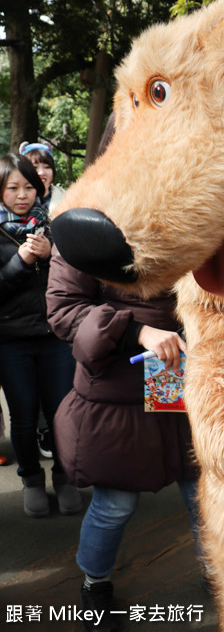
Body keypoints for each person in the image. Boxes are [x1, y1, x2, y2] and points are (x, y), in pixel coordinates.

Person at [46, 246, 200, 632]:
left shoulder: (198, 218)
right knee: (114, 504)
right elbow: (64, 311)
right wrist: (136, 331)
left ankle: (222, 572)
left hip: (191, 382)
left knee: (204, 499)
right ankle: (94, 583)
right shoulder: (84, 227)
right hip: (119, 391)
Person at [0, 153, 82, 517]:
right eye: (12, 187)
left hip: (55, 337)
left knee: (63, 412)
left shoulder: (56, 222)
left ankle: (65, 478)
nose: (22, 195)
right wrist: (21, 262)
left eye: (29, 187)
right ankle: (31, 480)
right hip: (11, 340)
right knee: (23, 417)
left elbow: (78, 277)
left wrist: (51, 256)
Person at [19, 140, 66, 458]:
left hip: (57, 312)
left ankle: (58, 442)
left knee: (59, 389)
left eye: (45, 165)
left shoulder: (65, 203)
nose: (41, 172)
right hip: (19, 322)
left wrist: (51, 254)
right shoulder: (10, 216)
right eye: (34, 166)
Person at [19, 141, 66, 217]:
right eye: (34, 167)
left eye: (47, 167)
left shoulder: (67, 198)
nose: (41, 172)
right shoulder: (13, 199)